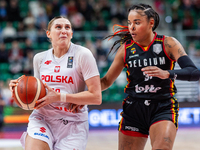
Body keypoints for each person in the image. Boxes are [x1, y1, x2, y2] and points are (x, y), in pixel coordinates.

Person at [100, 3, 200, 150]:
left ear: (151, 23)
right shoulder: (126, 49)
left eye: (137, 23)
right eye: (129, 23)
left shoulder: (168, 43)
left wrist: (167, 73)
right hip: (134, 109)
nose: (131, 27)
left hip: (163, 107)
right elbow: (106, 81)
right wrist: (82, 89)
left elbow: (194, 72)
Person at [9, 16, 101, 150]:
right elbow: (36, 97)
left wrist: (60, 97)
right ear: (48, 34)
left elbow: (96, 97)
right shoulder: (39, 58)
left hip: (73, 123)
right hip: (43, 118)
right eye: (58, 27)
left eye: (67, 27)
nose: (63, 30)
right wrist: (19, 91)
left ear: (71, 34)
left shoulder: (83, 54)